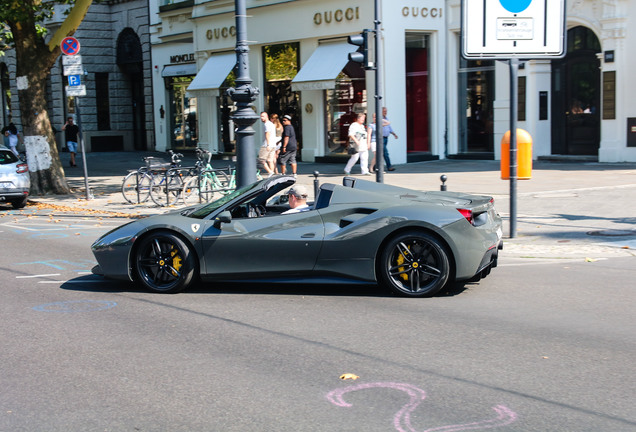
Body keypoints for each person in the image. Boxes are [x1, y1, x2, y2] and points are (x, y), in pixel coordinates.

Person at [258, 112, 276, 177]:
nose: (261, 118)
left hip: (266, 145)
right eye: (261, 116)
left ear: (267, 116)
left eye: (263, 116)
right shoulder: (272, 124)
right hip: (273, 145)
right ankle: (271, 175)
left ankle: (270, 172)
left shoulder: (267, 124)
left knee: (261, 160)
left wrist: (268, 144)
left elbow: (267, 134)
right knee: (270, 160)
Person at [382, 107, 398, 171]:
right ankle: (389, 166)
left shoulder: (386, 118)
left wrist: (394, 134)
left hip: (386, 138)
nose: (385, 112)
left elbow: (389, 127)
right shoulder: (380, 119)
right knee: (385, 153)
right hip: (381, 138)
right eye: (384, 111)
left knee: (381, 153)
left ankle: (375, 166)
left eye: (386, 111)